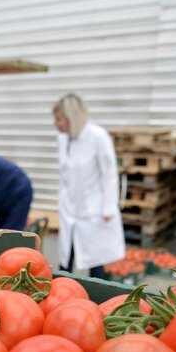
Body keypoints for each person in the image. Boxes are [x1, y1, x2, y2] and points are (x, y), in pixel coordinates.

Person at [52, 93, 124, 279]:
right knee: (65, 259)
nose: (56, 124)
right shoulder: (63, 139)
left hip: (93, 211)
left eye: (59, 119)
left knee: (95, 262)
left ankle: (96, 300)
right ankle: (62, 293)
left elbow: (109, 174)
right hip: (70, 210)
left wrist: (109, 207)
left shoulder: (98, 137)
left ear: (71, 116)